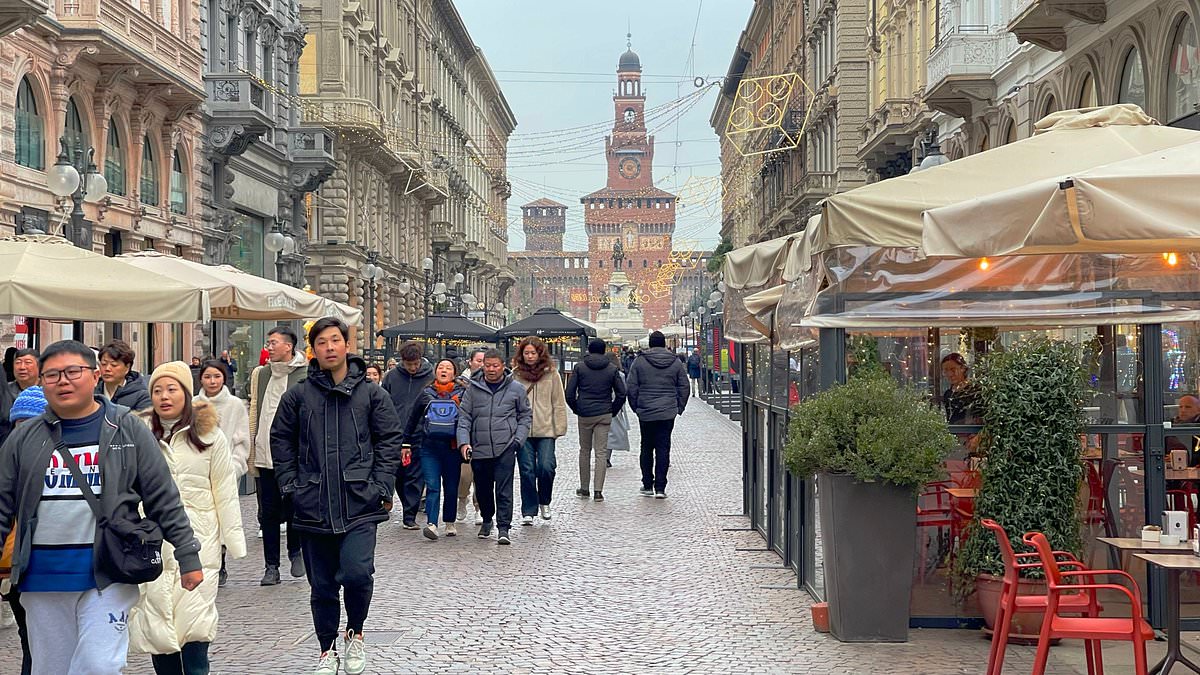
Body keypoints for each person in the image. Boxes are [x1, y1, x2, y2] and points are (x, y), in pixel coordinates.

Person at [0, 340, 203, 675]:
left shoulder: (127, 427)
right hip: (42, 577)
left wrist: (187, 554)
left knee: (99, 665)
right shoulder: (24, 438)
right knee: (51, 669)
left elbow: (162, 496)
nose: (63, 381)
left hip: (108, 571)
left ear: (94, 377)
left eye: (72, 372)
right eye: (52, 375)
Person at [271, 317, 403, 675]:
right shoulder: (298, 395)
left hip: (360, 501)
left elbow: (389, 440)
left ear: (347, 345)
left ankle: (355, 633)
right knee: (323, 586)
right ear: (313, 349)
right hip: (311, 503)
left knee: (358, 574)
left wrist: (380, 486)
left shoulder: (372, 393)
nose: (329, 348)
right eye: (322, 342)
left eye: (335, 340)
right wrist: (290, 485)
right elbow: (280, 439)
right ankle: (326, 649)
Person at [129, 361, 246, 675]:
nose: (164, 396)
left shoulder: (210, 435)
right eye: (157, 390)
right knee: (158, 624)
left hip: (199, 542)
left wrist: (232, 540)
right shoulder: (138, 434)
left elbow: (224, 489)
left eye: (171, 389)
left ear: (185, 392)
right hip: (151, 543)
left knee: (195, 624)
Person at [248, 326, 307, 585]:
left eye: (273, 343)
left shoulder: (305, 375)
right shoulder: (260, 374)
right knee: (268, 513)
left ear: (288, 347)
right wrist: (252, 448)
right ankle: (271, 566)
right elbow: (254, 409)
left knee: (295, 508)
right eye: (268, 343)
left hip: (294, 457)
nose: (268, 347)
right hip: (264, 453)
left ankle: (296, 552)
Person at [457, 350, 531, 545]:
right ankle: (487, 518)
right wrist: (464, 442)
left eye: (495, 365)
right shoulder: (473, 388)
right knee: (483, 488)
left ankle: (504, 527)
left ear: (502, 365)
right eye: (487, 365)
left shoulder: (516, 388)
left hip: (506, 445)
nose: (491, 369)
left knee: (504, 489)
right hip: (479, 446)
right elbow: (464, 417)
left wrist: (518, 440)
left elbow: (525, 416)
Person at [2, 386, 46, 675]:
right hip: (15, 566)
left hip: (47, 564)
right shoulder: (7, 459)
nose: (23, 430)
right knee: (30, 639)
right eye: (19, 423)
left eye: (30, 423)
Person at [195, 359, 251, 588]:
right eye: (208, 376)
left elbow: (242, 439)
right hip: (198, 473)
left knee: (223, 516)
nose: (212, 381)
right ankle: (204, 559)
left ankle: (221, 561)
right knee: (200, 517)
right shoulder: (193, 404)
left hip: (226, 471)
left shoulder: (235, 405)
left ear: (224, 379)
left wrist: (235, 466)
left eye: (216, 376)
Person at [403, 359, 466, 540]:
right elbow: (412, 419)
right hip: (429, 447)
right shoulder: (426, 393)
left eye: (448, 368)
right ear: (435, 372)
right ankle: (432, 523)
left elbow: (469, 419)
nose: (443, 371)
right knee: (432, 486)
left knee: (451, 487)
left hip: (452, 448)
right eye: (440, 368)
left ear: (454, 373)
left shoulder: (462, 393)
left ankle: (449, 521)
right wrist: (405, 443)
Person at [511, 337, 567, 525]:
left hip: (546, 428)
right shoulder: (516, 375)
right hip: (523, 430)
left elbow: (558, 402)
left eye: (533, 353)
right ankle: (528, 509)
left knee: (546, 467)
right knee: (526, 470)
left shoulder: (551, 374)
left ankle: (545, 501)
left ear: (540, 353)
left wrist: (558, 427)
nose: (529, 356)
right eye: (526, 353)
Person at [627, 331, 689, 499]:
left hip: (646, 410)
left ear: (651, 344)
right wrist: (678, 407)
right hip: (667, 411)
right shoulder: (675, 362)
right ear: (663, 344)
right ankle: (660, 487)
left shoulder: (639, 362)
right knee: (663, 448)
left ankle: (647, 484)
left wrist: (636, 407)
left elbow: (631, 386)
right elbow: (684, 386)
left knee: (646, 446)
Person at [565, 339, 626, 501]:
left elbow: (569, 393)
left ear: (589, 350)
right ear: (604, 350)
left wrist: (576, 408)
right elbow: (622, 393)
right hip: (604, 412)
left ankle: (584, 488)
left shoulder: (580, 367)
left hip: (585, 413)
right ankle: (598, 491)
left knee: (584, 451)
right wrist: (613, 409)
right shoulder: (611, 369)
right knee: (601, 452)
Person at [381, 341, 434, 530]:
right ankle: (406, 504)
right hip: (394, 433)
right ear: (402, 361)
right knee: (399, 475)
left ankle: (409, 515)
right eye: (408, 364)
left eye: (415, 363)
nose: (413, 368)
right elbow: (383, 402)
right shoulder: (391, 377)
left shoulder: (430, 376)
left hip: (420, 433)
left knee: (415, 475)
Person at [456, 349, 486, 523]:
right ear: (470, 362)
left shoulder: (490, 383)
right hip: (465, 434)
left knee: (481, 475)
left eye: (484, 361)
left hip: (484, 436)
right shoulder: (461, 382)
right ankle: (462, 499)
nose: (481, 365)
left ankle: (478, 507)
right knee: (464, 475)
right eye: (478, 361)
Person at [96, 339, 153, 410]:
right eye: (103, 364)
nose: (107, 368)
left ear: (127, 367)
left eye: (114, 365)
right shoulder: (91, 392)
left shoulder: (142, 396)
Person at [940, 353, 981, 425]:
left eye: (953, 370)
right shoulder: (948, 393)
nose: (949, 374)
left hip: (971, 432)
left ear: (963, 368)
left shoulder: (974, 390)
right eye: (946, 370)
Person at [606, 352, 631, 462]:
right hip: (615, 406)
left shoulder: (602, 373)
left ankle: (604, 457)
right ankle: (606, 457)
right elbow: (623, 392)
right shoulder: (620, 375)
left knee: (605, 433)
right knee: (612, 434)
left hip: (603, 407)